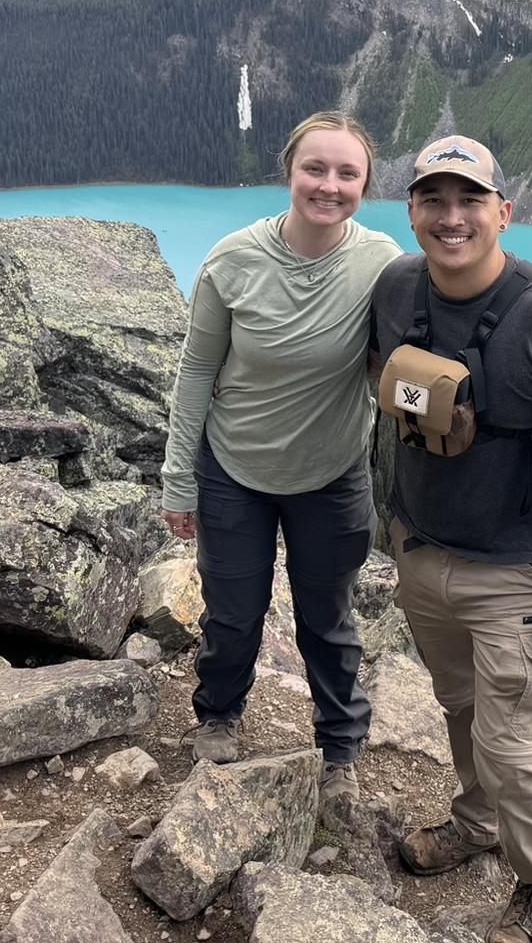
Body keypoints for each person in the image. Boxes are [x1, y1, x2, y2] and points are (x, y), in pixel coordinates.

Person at [371, 135, 532, 943]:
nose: (451, 218)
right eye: (432, 200)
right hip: (420, 549)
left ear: (503, 213)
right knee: (460, 705)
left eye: (470, 200)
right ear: (410, 211)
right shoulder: (396, 291)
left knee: (514, 735)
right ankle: (478, 825)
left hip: (513, 570)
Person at [160, 110, 401, 806]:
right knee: (233, 612)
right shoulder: (234, 260)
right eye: (315, 169)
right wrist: (179, 479)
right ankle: (219, 717)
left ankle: (339, 748)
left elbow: (401, 362)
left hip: (332, 475)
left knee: (327, 617)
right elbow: (196, 372)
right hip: (235, 469)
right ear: (288, 173)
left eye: (347, 173)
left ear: (365, 184)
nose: (329, 185)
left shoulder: (381, 264)